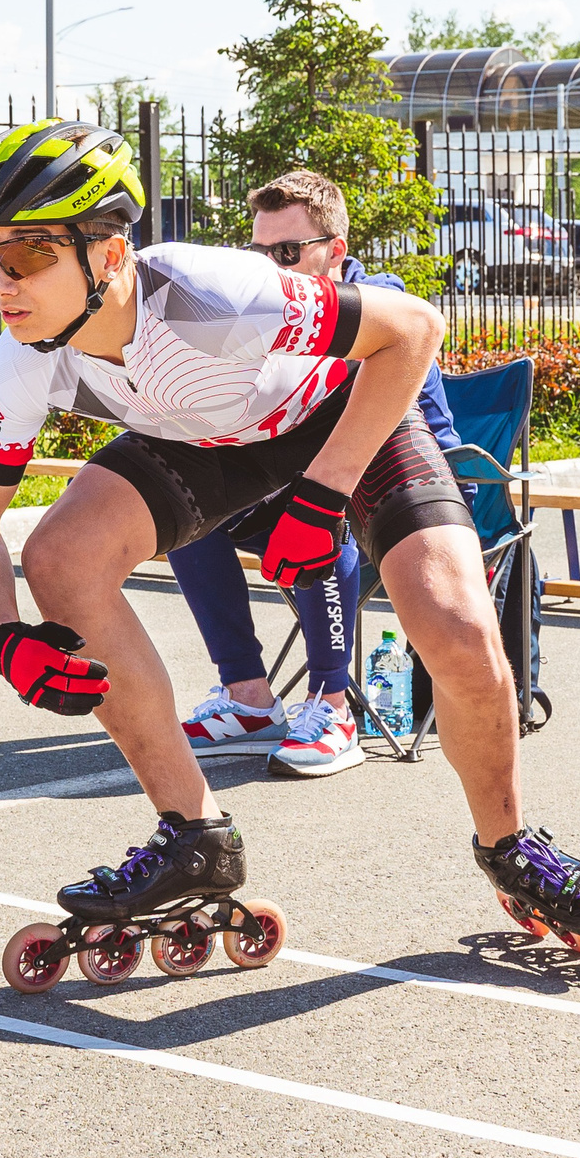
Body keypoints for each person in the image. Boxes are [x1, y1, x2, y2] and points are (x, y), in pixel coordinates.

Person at [0, 119, 580, 985]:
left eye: (27, 255)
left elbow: (413, 330)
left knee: (455, 629)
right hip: (211, 440)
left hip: (344, 413)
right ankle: (194, 834)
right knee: (60, 557)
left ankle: (510, 845)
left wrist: (325, 491)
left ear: (108, 256)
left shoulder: (216, 296)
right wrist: (4, 637)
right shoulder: (22, 361)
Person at [166, 169, 460, 778]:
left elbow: (408, 432)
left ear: (335, 251)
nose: (270, 269)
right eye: (258, 253)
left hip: (395, 494)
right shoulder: (267, 311)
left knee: (318, 510)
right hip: (296, 480)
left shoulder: (381, 307)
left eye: (286, 253)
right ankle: (248, 697)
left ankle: (333, 707)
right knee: (188, 519)